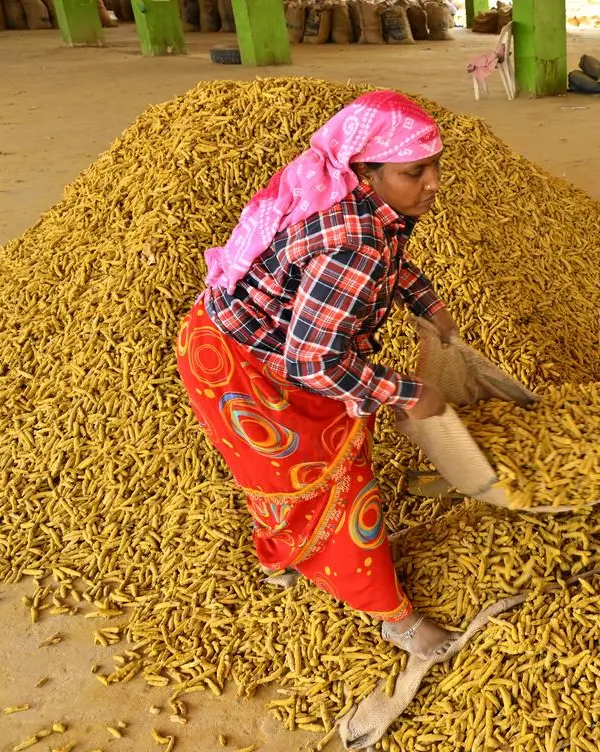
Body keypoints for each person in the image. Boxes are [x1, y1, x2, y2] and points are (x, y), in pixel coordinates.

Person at [175, 91, 459, 661]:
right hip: (248, 370)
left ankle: (281, 555)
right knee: (337, 479)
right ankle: (393, 616)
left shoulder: (349, 196)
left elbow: (392, 260)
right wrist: (404, 393)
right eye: (414, 172)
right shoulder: (352, 243)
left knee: (277, 476)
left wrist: (425, 302)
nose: (432, 182)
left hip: (222, 340)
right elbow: (314, 362)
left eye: (434, 165)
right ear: (366, 171)